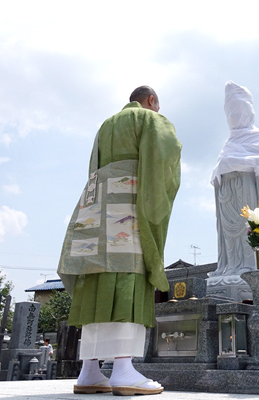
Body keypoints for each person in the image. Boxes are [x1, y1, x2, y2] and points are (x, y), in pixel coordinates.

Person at [57, 86, 181, 396]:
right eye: (156, 104)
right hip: (129, 202)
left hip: (96, 209)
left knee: (95, 279)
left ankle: (89, 371)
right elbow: (164, 158)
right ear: (151, 101)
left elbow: (93, 169)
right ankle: (123, 370)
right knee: (129, 275)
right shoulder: (151, 120)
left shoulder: (106, 125)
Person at [208, 81, 259, 279]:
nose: (235, 116)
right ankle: (231, 266)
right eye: (231, 112)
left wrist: (234, 162)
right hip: (228, 193)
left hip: (248, 190)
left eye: (239, 111)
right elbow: (219, 167)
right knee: (229, 233)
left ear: (249, 111)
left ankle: (249, 265)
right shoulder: (228, 142)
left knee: (248, 228)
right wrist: (225, 166)